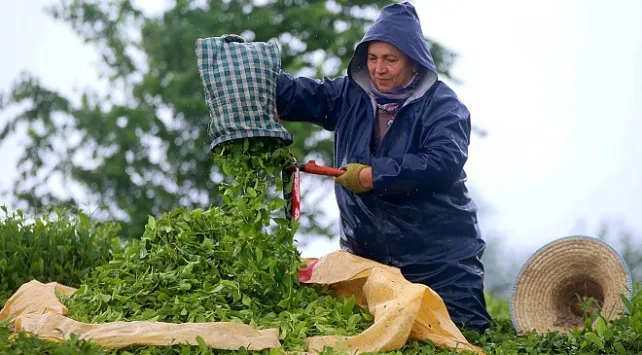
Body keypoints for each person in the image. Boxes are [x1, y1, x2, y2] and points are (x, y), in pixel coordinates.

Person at [274, 2, 491, 332]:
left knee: (462, 337)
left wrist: (373, 176)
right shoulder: (351, 95)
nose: (379, 69)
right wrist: (259, 77)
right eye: (373, 59)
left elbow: (443, 162)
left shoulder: (443, 106)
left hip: (439, 262)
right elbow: (304, 96)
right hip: (367, 259)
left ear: (413, 61)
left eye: (390, 59)